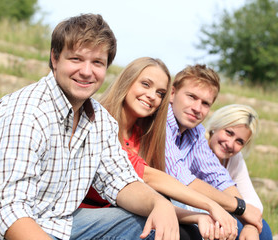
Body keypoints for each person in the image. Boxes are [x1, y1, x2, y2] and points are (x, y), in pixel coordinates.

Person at [0, 14, 182, 240]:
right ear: (55, 59)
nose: (86, 71)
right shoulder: (27, 112)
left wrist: (158, 203)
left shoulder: (100, 121)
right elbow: (10, 212)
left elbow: (121, 181)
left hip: (56, 225)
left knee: (152, 224)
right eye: (76, 59)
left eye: (97, 63)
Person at [80, 57, 238, 240]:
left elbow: (151, 201)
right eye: (145, 84)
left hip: (121, 216)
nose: (152, 96)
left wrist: (199, 216)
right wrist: (212, 205)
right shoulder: (99, 121)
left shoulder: (144, 135)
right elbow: (149, 176)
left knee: (190, 232)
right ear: (127, 81)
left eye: (160, 93)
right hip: (85, 218)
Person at [164, 64, 264, 238]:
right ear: (172, 93)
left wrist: (249, 221)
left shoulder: (195, 132)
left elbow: (218, 176)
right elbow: (181, 178)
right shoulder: (162, 122)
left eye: (205, 103)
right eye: (191, 97)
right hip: (148, 204)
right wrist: (241, 208)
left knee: (257, 229)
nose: (197, 108)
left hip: (181, 206)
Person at [205, 104, 273, 239]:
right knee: (234, 226)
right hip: (194, 212)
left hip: (219, 213)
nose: (230, 144)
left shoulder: (233, 158)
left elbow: (254, 202)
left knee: (262, 228)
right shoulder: (198, 145)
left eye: (239, 141)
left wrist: (251, 226)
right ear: (216, 126)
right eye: (228, 132)